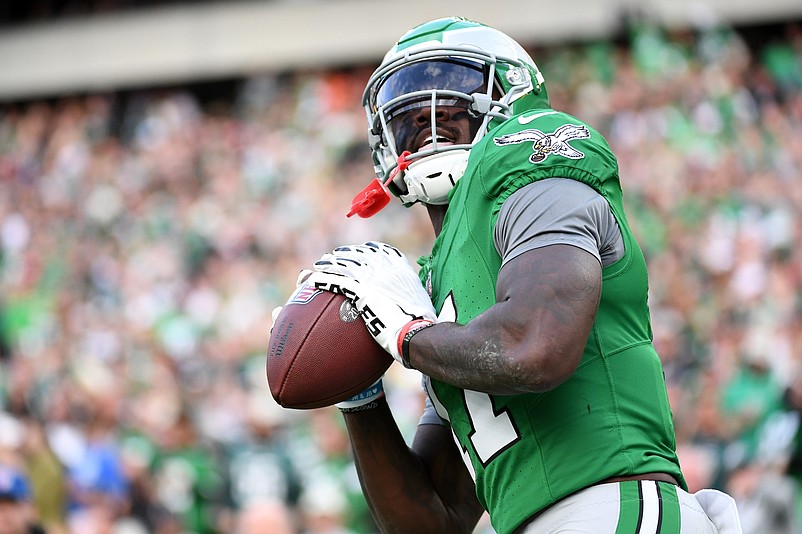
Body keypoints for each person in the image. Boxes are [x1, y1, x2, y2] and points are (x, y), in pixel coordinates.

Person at [295, 17, 743, 533]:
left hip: (609, 505)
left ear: (508, 94)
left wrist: (403, 333)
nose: (422, 120)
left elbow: (535, 347)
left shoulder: (533, 149)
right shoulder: (437, 286)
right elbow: (434, 521)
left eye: (445, 94)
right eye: (407, 115)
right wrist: (359, 386)